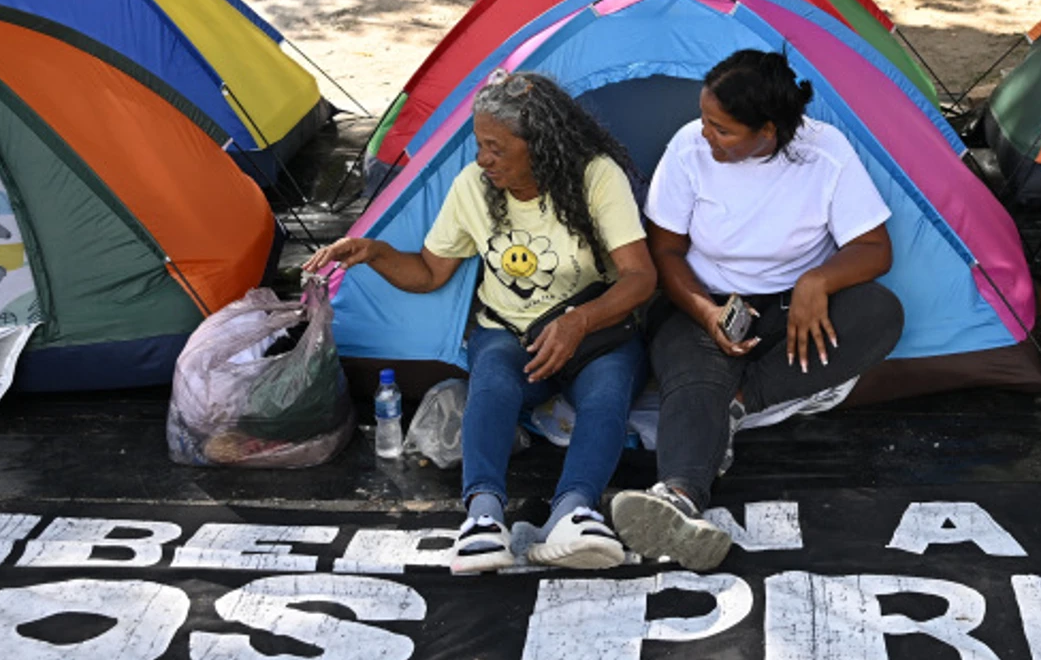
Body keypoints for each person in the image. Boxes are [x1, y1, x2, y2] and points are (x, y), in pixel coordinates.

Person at [305, 71, 656, 573]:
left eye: (495, 147)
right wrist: (375, 252)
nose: (481, 159)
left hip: (594, 331)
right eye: (478, 145)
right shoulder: (474, 187)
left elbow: (640, 278)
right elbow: (429, 272)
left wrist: (579, 322)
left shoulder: (595, 176)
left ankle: (573, 513)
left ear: (540, 144)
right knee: (491, 380)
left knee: (607, 393)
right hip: (510, 330)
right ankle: (484, 517)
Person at [610, 51, 904, 571]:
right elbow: (666, 252)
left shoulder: (825, 154)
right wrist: (705, 311)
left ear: (768, 131)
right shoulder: (686, 150)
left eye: (721, 130)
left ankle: (740, 400)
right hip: (700, 299)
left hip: (790, 309)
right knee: (694, 371)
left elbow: (874, 249)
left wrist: (820, 279)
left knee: (879, 313)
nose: (704, 136)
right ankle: (679, 499)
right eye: (704, 120)